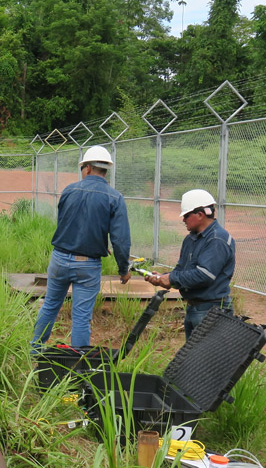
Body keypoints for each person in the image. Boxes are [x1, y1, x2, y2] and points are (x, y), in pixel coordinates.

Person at [30, 145, 131, 353]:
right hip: (88, 265)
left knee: (50, 305)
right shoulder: (114, 197)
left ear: (87, 167)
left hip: (59, 259)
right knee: (81, 316)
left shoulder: (69, 190)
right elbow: (120, 240)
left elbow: (67, 223)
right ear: (105, 170)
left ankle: (34, 349)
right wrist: (123, 269)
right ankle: (77, 360)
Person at [145, 189, 236, 339]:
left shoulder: (217, 240)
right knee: (193, 354)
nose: (183, 220)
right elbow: (182, 269)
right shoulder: (191, 239)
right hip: (195, 308)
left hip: (212, 311)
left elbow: (204, 275)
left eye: (186, 215)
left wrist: (172, 278)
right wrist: (164, 278)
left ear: (200, 215)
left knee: (206, 354)